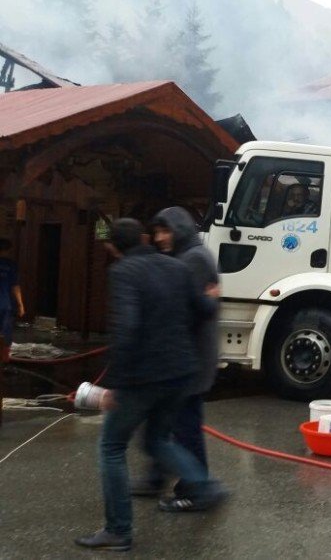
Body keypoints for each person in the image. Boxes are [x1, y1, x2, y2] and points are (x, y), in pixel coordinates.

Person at [75, 219, 223, 552]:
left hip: (144, 376)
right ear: (144, 238)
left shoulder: (123, 272)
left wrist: (114, 385)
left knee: (111, 447)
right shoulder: (176, 266)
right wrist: (214, 297)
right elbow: (203, 308)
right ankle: (204, 485)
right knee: (157, 440)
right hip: (181, 372)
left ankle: (118, 529)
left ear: (113, 247)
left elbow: (127, 328)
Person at [133, 207, 222, 503]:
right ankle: (157, 478)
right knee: (164, 422)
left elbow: (187, 311)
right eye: (156, 232)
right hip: (184, 356)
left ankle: (196, 489)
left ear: (180, 229)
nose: (159, 238)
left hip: (190, 358)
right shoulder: (186, 256)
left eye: (165, 231)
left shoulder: (194, 259)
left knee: (185, 425)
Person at [0, 238, 25, 357]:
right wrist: (20, 305)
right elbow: (15, 287)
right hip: (6, 304)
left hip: (5, 304)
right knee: (6, 333)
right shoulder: (11, 265)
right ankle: (4, 361)